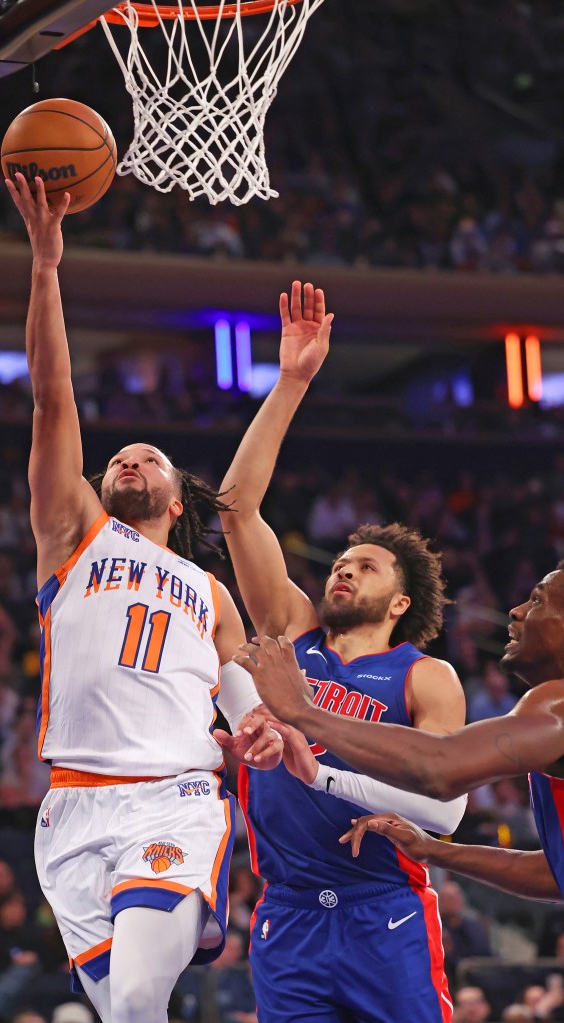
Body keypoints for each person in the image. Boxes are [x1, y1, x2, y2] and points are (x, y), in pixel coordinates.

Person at [4, 172, 283, 1023]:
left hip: (174, 795)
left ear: (175, 499)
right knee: (126, 1013)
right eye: (118, 455)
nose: (129, 459)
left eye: (149, 458)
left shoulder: (210, 589)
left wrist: (259, 725)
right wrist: (46, 266)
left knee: (130, 1002)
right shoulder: (74, 536)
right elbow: (54, 399)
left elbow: (239, 696)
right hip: (72, 812)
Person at [216, 280, 467, 1022]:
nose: (343, 567)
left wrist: (324, 775)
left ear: (400, 602)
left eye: (367, 565)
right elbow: (236, 509)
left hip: (382, 908)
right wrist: (291, 380)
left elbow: (440, 801)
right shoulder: (292, 631)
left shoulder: (427, 675)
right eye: (341, 559)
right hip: (285, 913)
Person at [235, 553, 564, 1018]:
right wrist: (436, 853)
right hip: (293, 913)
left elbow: (442, 768)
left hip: (380, 913)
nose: (515, 611)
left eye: (536, 601)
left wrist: (303, 711)